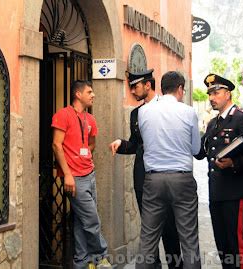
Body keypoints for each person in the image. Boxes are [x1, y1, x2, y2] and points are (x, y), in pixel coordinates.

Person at [109, 69, 182, 268]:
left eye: (135, 86)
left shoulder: (169, 108)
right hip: (142, 177)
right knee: (149, 227)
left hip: (165, 175)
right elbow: (135, 144)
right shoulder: (136, 113)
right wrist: (121, 144)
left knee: (169, 227)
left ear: (148, 85)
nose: (132, 91)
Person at [194, 74, 243, 269]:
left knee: (236, 241)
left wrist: (234, 162)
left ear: (227, 93)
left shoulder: (242, 117)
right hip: (217, 190)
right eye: (210, 94)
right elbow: (202, 151)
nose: (212, 97)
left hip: (236, 190)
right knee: (222, 242)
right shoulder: (213, 123)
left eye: (216, 92)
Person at [136, 71, 201, 269]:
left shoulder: (143, 111)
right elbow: (196, 149)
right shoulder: (188, 112)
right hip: (181, 179)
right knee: (189, 239)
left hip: (153, 179)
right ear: (180, 89)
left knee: (147, 240)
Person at [52, 80, 111, 269]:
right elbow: (56, 145)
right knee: (92, 219)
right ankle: (101, 257)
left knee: (81, 220)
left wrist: (82, 154)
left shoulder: (90, 119)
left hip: (89, 174)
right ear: (78, 94)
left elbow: (91, 143)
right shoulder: (63, 115)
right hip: (74, 178)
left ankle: (81, 263)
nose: (93, 95)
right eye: (89, 91)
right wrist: (68, 174)